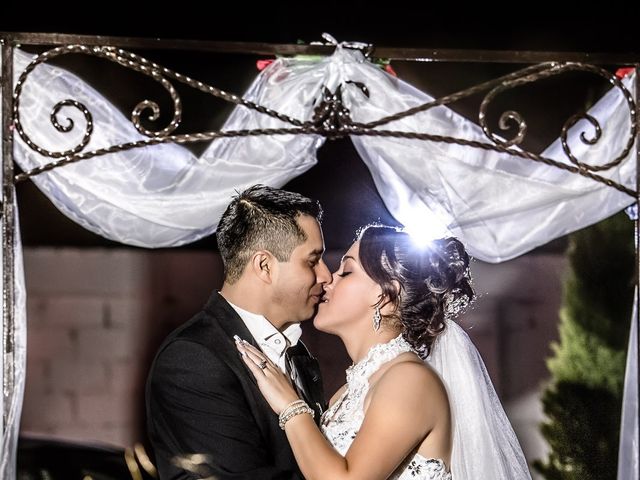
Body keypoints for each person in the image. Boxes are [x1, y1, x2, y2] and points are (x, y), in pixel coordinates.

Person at [237, 224, 532, 480]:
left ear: (385, 296)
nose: (328, 279)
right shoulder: (348, 393)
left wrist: (291, 406)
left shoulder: (408, 381)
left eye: (346, 271)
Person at [146, 184, 332, 480]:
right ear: (264, 266)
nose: (326, 275)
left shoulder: (295, 350)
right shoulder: (193, 357)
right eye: (312, 260)